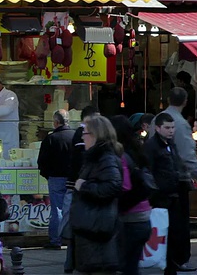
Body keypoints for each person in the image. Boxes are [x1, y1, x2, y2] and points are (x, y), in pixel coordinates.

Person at [148, 87, 197, 273]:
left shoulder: (157, 120)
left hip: (159, 180)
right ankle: (178, 259)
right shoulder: (180, 123)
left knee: (164, 221)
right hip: (177, 179)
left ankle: (166, 258)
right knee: (178, 222)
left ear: (167, 99)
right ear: (185, 101)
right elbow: (187, 154)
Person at [71, 115, 123, 274]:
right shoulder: (94, 158)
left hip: (98, 230)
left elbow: (112, 186)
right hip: (90, 229)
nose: (82, 136)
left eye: (85, 133)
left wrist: (84, 186)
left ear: (95, 135)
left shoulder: (105, 158)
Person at [145, 113, 188, 275]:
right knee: (164, 233)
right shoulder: (151, 146)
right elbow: (148, 171)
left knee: (174, 235)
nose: (171, 131)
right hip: (160, 199)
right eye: (167, 128)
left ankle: (172, 266)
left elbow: (175, 165)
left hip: (173, 196)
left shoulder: (170, 144)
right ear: (158, 128)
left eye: (172, 127)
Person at [110, 115, 152, 275]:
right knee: (132, 265)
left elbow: (125, 186)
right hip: (144, 216)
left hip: (130, 219)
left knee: (127, 266)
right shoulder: (137, 151)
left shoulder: (122, 156)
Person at [63, 105, 99, 273]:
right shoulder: (82, 135)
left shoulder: (88, 136)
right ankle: (72, 261)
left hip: (79, 185)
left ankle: (72, 261)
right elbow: (79, 161)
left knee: (76, 225)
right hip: (79, 186)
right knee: (76, 224)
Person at [37, 109, 75, 250]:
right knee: (71, 208)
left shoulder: (51, 139)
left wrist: (48, 175)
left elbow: (42, 161)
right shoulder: (75, 136)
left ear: (56, 122)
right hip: (73, 178)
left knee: (57, 210)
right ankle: (72, 238)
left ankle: (56, 240)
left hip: (55, 178)